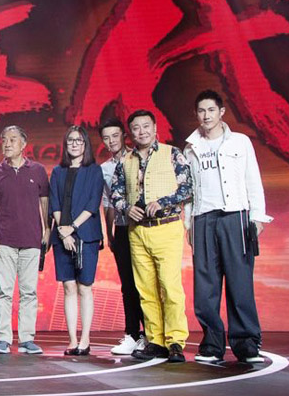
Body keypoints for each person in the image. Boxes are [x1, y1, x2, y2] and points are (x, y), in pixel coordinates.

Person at [183, 90, 271, 364]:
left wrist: (257, 217)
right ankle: (212, 344)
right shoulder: (190, 147)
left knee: (239, 282)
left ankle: (246, 344)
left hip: (235, 216)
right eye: (201, 111)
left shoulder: (240, 142)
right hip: (203, 219)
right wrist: (188, 224)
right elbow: (189, 191)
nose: (206, 115)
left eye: (211, 110)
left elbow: (252, 179)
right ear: (196, 114)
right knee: (205, 286)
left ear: (221, 112)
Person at [109, 110, 193, 363]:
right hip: (137, 231)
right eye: (136, 128)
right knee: (145, 289)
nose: (141, 131)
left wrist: (163, 202)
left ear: (155, 128)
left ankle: (175, 341)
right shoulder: (125, 160)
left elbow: (188, 187)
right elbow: (115, 193)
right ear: (130, 133)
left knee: (169, 286)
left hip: (166, 227)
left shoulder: (172, 153)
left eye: (146, 126)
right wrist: (126, 207)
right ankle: (155, 340)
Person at [0, 125, 49, 355]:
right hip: (4, 241)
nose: (7, 143)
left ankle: (26, 339)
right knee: (4, 292)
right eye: (4, 140)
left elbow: (45, 202)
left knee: (29, 292)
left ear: (24, 144)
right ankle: (2, 339)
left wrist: (47, 229)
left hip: (31, 241)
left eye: (13, 140)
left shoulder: (38, 170)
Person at [49, 126, 105, 356]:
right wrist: (63, 232)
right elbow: (54, 203)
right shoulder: (57, 171)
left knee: (84, 287)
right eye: (70, 140)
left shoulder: (94, 170)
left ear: (85, 145)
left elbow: (93, 204)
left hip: (86, 235)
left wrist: (72, 228)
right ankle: (72, 340)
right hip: (61, 236)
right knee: (68, 287)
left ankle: (85, 338)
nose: (74, 144)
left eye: (79, 140)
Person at [99, 119, 147, 355]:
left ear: (124, 136)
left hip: (143, 227)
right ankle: (132, 334)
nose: (111, 141)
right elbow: (108, 203)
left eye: (115, 136)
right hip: (121, 229)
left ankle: (152, 334)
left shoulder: (139, 158)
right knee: (128, 284)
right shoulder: (104, 169)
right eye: (106, 138)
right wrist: (109, 234)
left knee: (146, 283)